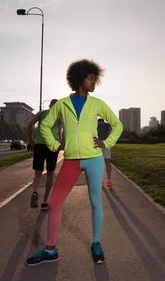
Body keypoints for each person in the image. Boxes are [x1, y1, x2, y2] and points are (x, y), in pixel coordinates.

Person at [26, 59, 123, 266]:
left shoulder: (97, 104)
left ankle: (96, 243)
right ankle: (50, 250)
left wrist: (106, 142)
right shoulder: (62, 104)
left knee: (96, 202)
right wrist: (54, 145)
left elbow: (117, 125)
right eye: (90, 78)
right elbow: (45, 126)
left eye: (95, 78)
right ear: (79, 78)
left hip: (94, 159)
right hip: (71, 161)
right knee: (54, 204)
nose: (94, 82)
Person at [28, 99, 60, 212]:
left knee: (38, 172)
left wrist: (31, 139)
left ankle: (35, 192)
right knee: (50, 173)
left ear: (50, 105)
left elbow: (30, 124)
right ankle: (45, 202)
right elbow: (64, 131)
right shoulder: (59, 116)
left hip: (39, 145)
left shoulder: (41, 113)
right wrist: (62, 143)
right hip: (52, 146)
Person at [97, 118, 113, 188]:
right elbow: (111, 129)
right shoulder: (106, 124)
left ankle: (101, 182)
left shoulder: (95, 125)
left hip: (98, 143)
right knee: (107, 162)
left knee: (99, 163)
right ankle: (109, 180)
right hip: (106, 143)